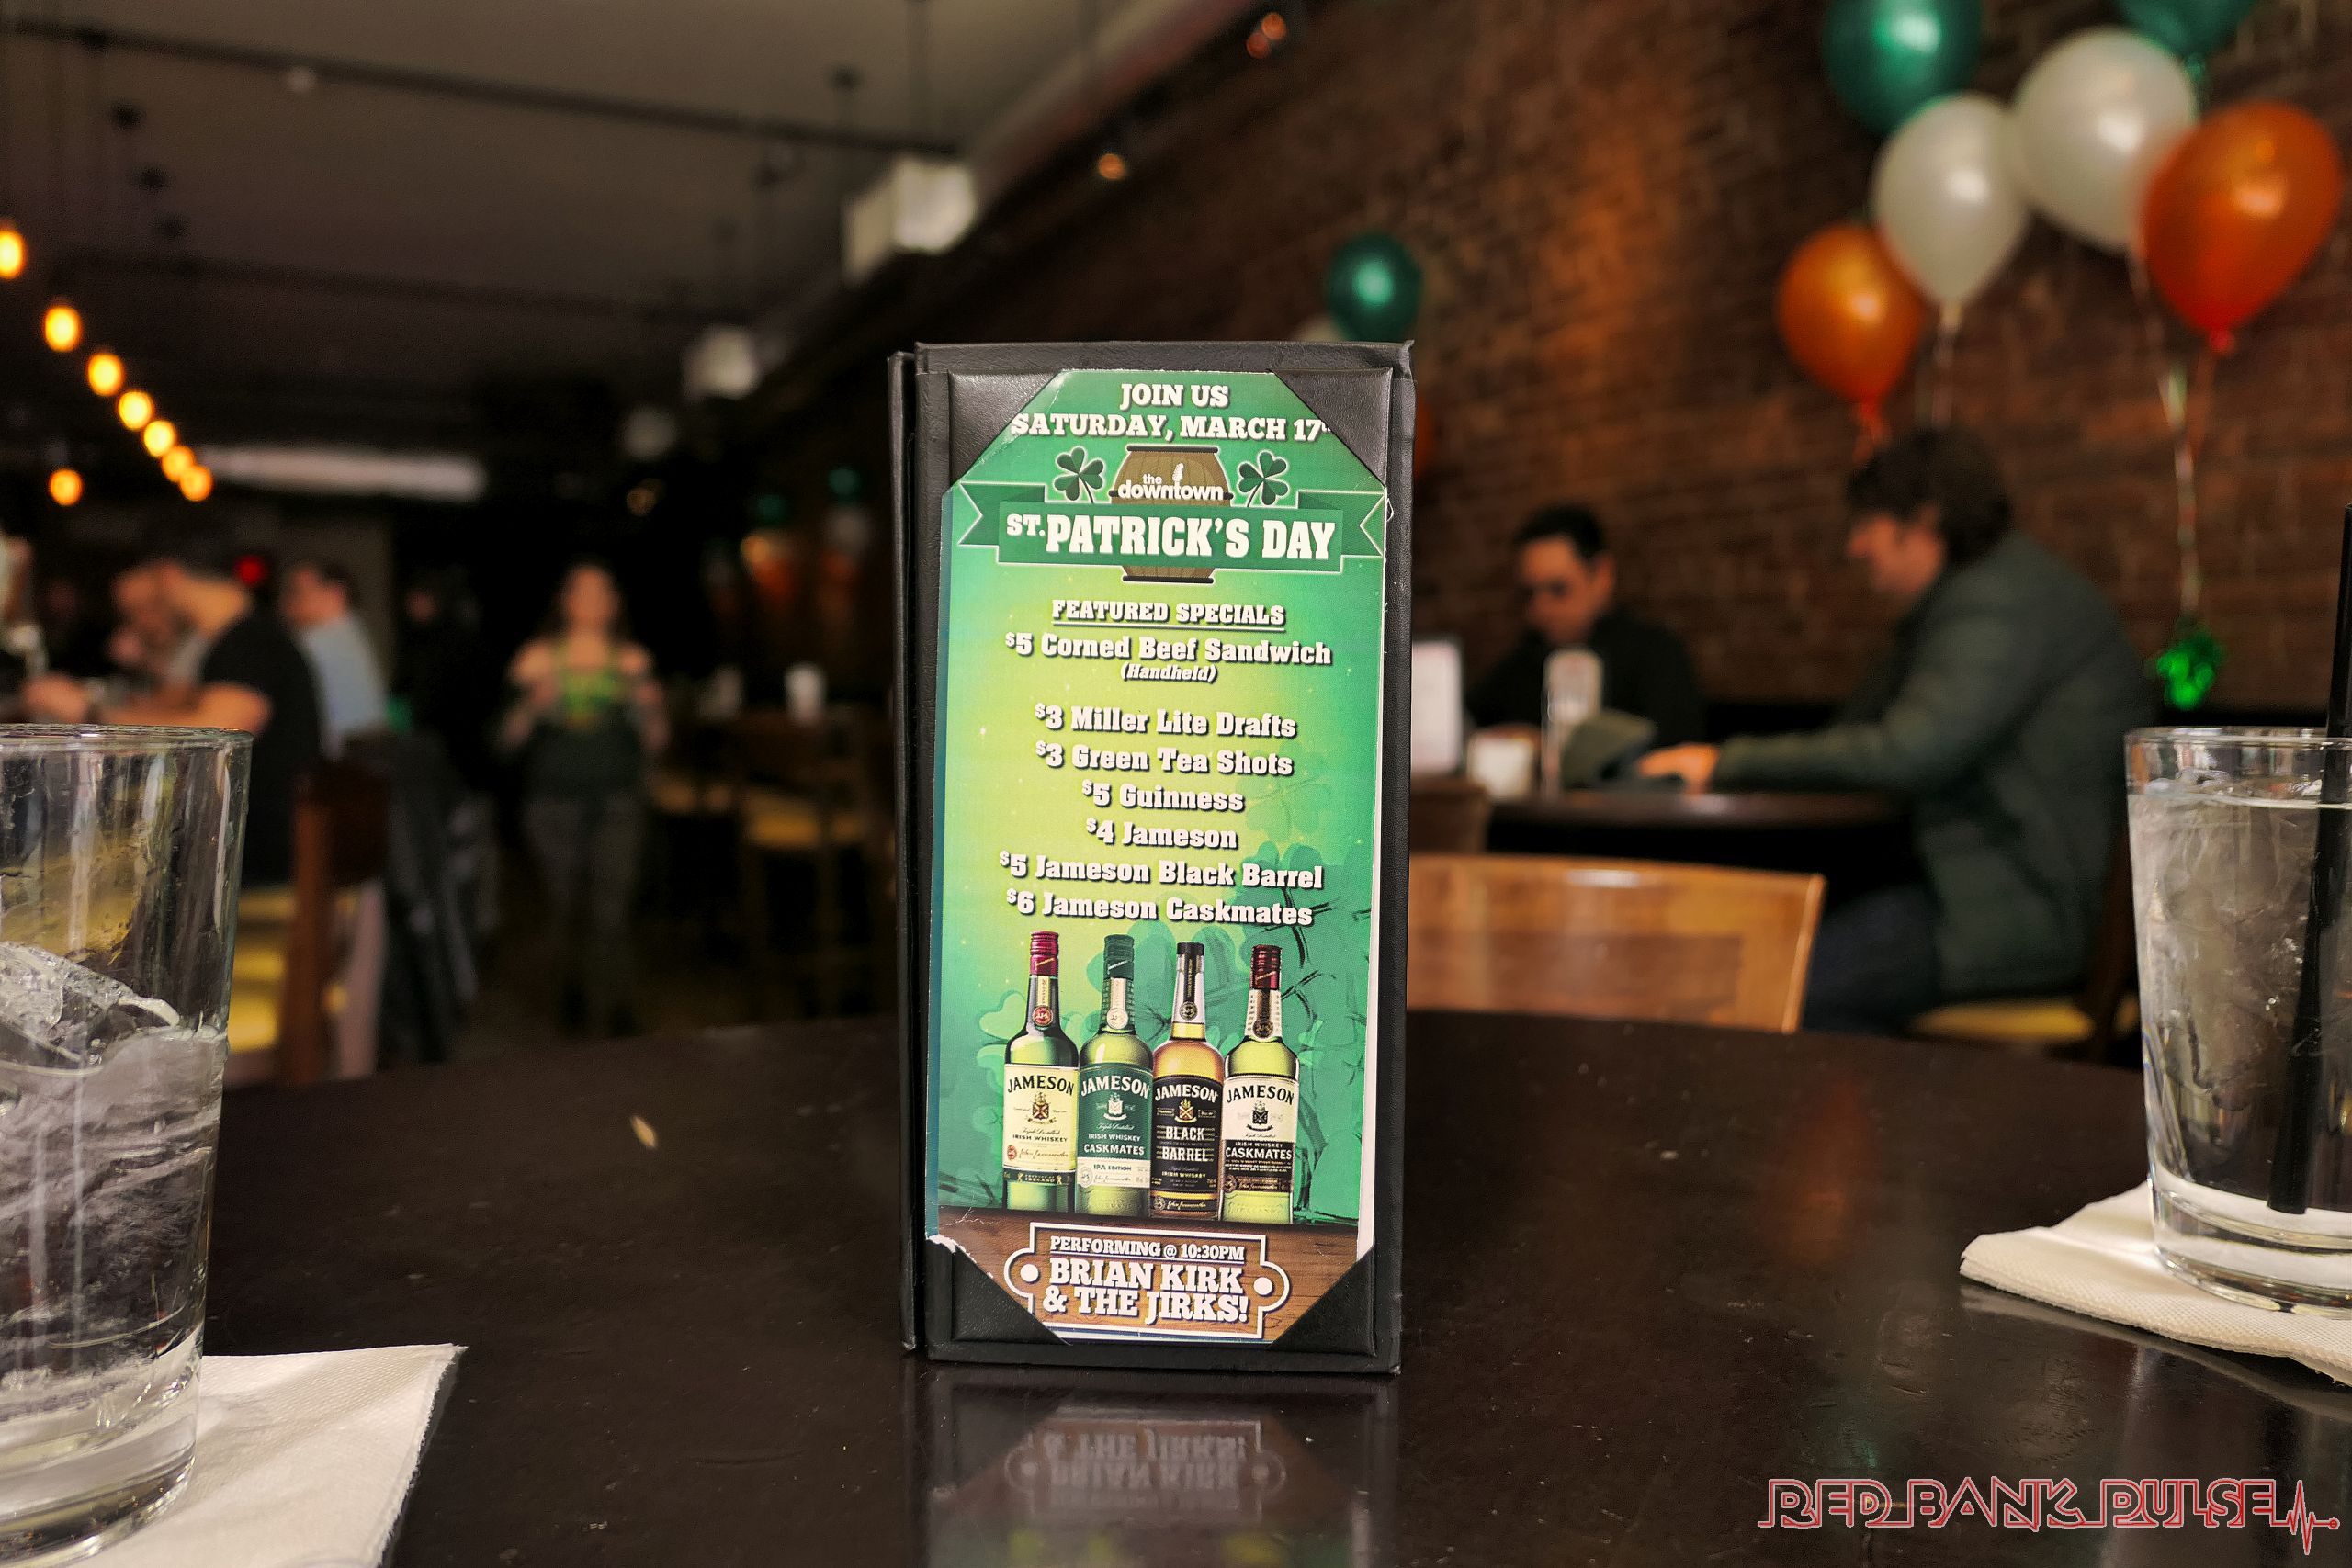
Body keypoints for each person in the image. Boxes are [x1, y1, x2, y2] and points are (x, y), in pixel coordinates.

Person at [1638, 427, 2154, 1035]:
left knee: (1779, 992)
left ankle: (1892, 1103)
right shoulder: (1972, 597)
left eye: (1867, 524)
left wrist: (1725, 762)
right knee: (1768, 966)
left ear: (1924, 521)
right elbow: (1866, 731)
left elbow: (1910, 751)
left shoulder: (1994, 601)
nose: (1855, 547)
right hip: (1985, 889)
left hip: (2022, 908)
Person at [26, 536, 325, 887]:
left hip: (252, 865)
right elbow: (181, 707)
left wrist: (87, 711)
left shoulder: (250, 640)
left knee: (63, 872)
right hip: (241, 852)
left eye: (140, 605)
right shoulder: (240, 639)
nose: (139, 617)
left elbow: (214, 737)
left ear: (166, 576)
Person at [500, 561, 667, 1036]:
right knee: (562, 907)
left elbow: (656, 741)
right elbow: (504, 740)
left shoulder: (632, 661)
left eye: (602, 593)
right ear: (566, 602)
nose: (592, 603)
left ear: (614, 604)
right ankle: (566, 1007)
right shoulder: (535, 659)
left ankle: (614, 1014)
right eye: (582, 593)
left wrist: (652, 709)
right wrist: (532, 704)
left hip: (617, 798)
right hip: (552, 801)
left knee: (611, 911)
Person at [1466, 503, 1705, 745]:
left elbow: (1677, 750)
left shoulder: (1657, 658)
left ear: (1602, 575)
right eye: (1529, 593)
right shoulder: (1521, 666)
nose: (1541, 607)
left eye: (1558, 589)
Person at [282, 559, 389, 754]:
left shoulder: (317, 641)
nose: (289, 602)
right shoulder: (353, 631)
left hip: (339, 759)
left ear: (335, 593)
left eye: (299, 591)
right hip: (369, 754)